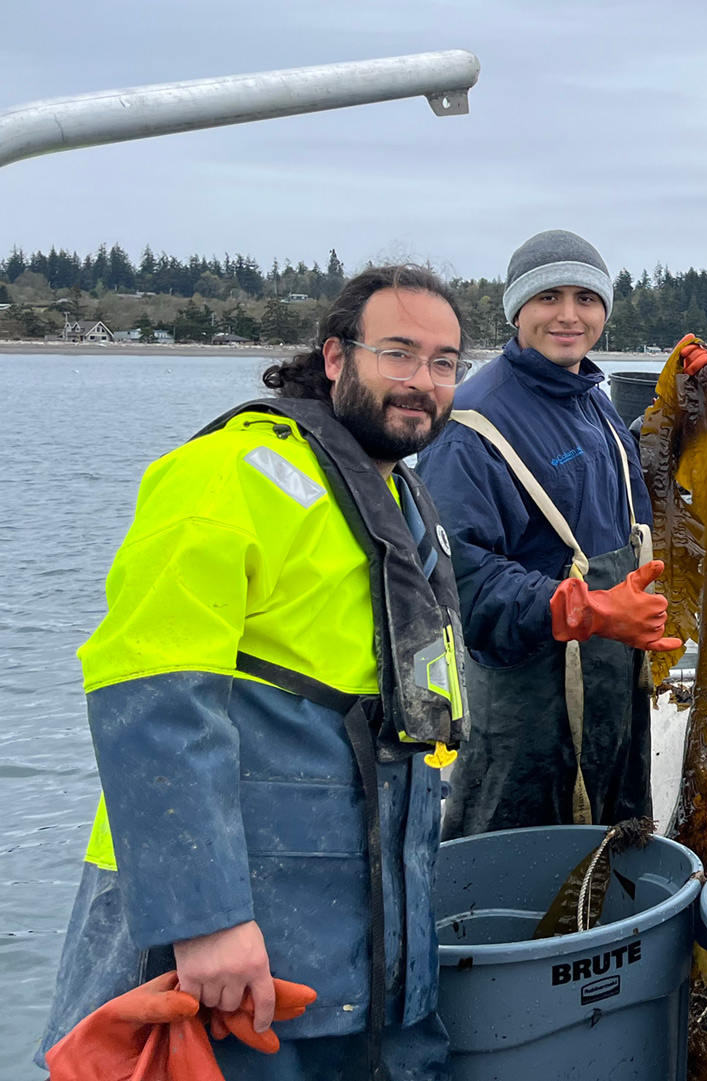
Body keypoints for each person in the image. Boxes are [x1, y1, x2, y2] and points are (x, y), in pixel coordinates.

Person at [38, 266, 474, 1077]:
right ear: (337, 357)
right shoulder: (226, 475)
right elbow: (152, 693)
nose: (423, 381)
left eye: (446, 361)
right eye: (399, 353)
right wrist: (204, 917)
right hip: (233, 946)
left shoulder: (409, 506)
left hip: (375, 949)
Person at [417, 229, 682, 837]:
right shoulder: (470, 424)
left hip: (613, 690)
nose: (568, 316)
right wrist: (586, 610)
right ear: (517, 309)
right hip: (524, 705)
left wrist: (686, 409)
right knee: (511, 870)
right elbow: (457, 582)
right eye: (548, 298)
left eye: (586, 299)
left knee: (614, 845)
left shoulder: (594, 401)